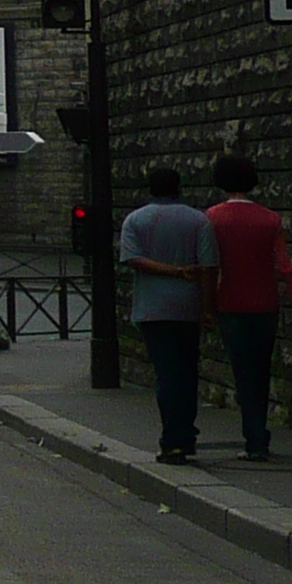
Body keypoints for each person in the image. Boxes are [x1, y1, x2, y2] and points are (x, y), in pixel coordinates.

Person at [206, 154, 292, 460]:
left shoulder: (212, 218)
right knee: (261, 370)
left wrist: (205, 306)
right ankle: (259, 437)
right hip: (265, 304)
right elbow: (286, 269)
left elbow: (209, 267)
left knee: (242, 371)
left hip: (229, 303)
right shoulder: (270, 219)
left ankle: (254, 438)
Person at [118, 166, 219, 463]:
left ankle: (172, 440)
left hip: (152, 308)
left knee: (166, 375)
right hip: (188, 307)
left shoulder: (135, 220)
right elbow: (209, 267)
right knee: (187, 372)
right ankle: (186, 435)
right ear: (179, 188)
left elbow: (133, 259)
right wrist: (209, 309)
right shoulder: (199, 220)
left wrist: (172, 271)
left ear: (150, 189)